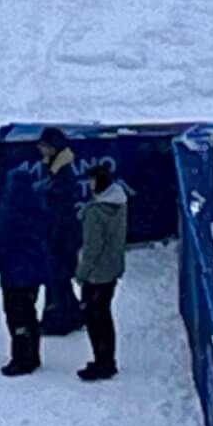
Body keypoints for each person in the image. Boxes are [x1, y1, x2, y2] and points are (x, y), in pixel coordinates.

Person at [0, 156, 50, 375]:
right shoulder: (38, 205)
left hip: (14, 272)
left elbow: (0, 241)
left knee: (16, 316)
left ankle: (21, 359)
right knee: (29, 313)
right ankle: (33, 355)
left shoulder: (9, 210)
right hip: (33, 271)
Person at [75, 161, 129, 381]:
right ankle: (107, 359)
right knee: (104, 316)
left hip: (96, 274)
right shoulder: (120, 204)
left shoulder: (95, 212)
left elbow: (91, 247)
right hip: (112, 269)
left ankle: (102, 362)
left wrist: (81, 272)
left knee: (96, 320)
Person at [35, 127, 84, 336]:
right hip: (59, 234)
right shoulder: (54, 168)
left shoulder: (61, 173)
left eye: (44, 145)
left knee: (57, 278)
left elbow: (56, 203)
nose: (39, 149)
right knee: (59, 278)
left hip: (61, 235)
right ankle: (71, 314)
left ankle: (59, 319)